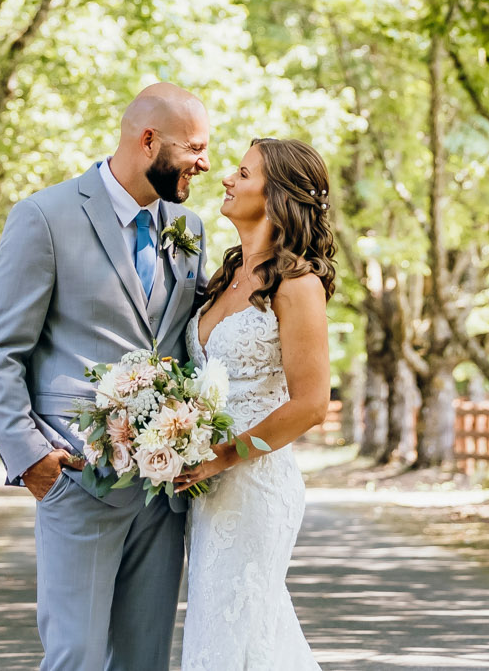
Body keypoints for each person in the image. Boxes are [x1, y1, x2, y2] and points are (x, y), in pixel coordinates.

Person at [0, 84, 215, 671]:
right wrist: (30, 457)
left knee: (143, 661)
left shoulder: (190, 227)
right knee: (75, 659)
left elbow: (184, 343)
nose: (205, 163)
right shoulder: (44, 217)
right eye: (195, 148)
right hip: (79, 481)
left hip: (163, 495)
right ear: (148, 140)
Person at [171, 137, 335, 671]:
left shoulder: (298, 284)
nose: (226, 178)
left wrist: (224, 455)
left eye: (243, 173)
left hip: (254, 482)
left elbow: (311, 404)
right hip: (209, 485)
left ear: (277, 194)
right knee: (233, 632)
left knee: (235, 631)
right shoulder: (225, 277)